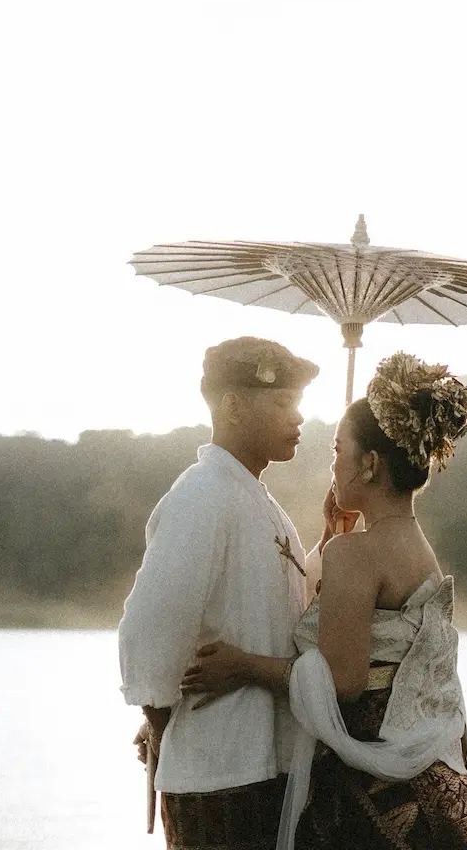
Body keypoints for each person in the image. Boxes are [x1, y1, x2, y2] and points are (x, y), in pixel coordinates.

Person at [182, 352, 467, 850]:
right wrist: (330, 537)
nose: (333, 465)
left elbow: (342, 682)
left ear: (369, 464)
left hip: (374, 799)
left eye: (338, 449)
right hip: (434, 788)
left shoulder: (354, 554)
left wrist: (242, 666)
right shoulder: (418, 549)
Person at [119, 336, 321, 850]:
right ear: (232, 406)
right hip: (217, 776)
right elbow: (150, 629)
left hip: (265, 769)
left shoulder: (256, 499)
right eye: (282, 402)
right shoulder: (202, 494)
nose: (298, 417)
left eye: (297, 403)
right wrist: (160, 722)